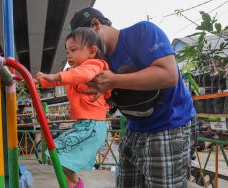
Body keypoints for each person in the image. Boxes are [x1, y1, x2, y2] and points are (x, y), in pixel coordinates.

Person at [70, 7, 197, 188]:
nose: (89, 53)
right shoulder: (100, 63)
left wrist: (114, 80)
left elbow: (169, 75)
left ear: (96, 26)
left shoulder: (143, 32)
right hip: (134, 128)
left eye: (86, 46)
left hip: (170, 125)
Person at [36, 27, 111, 188]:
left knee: (58, 153)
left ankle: (75, 183)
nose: (68, 54)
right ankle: (73, 183)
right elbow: (62, 80)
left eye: (73, 49)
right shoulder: (74, 71)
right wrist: (40, 81)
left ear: (92, 51)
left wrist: (56, 76)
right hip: (85, 125)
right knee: (57, 154)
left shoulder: (95, 65)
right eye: (67, 51)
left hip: (93, 126)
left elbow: (81, 75)